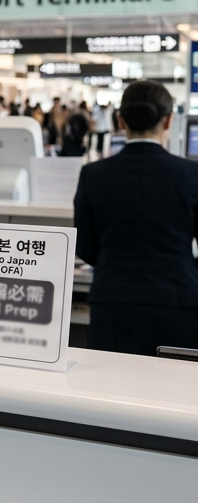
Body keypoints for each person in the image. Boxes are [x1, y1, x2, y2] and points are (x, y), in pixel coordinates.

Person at [75, 81, 198, 355]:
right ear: (169, 121)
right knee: (173, 380)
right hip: (178, 301)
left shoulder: (93, 174)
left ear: (120, 120)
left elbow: (84, 245)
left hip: (113, 301)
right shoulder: (191, 175)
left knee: (110, 378)